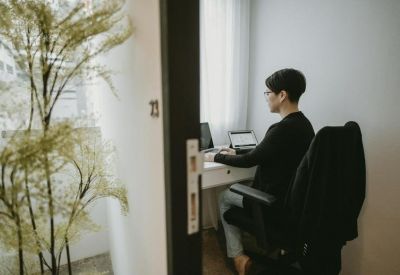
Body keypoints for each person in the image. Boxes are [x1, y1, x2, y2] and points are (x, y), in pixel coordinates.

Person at [204, 68, 315, 275]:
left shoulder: (281, 129)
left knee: (223, 197)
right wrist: (234, 150)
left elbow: (249, 161)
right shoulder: (305, 126)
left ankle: (238, 256)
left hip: (273, 203)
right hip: (293, 204)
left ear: (282, 95)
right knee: (240, 188)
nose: (266, 98)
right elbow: (268, 152)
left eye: (267, 93)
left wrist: (214, 156)